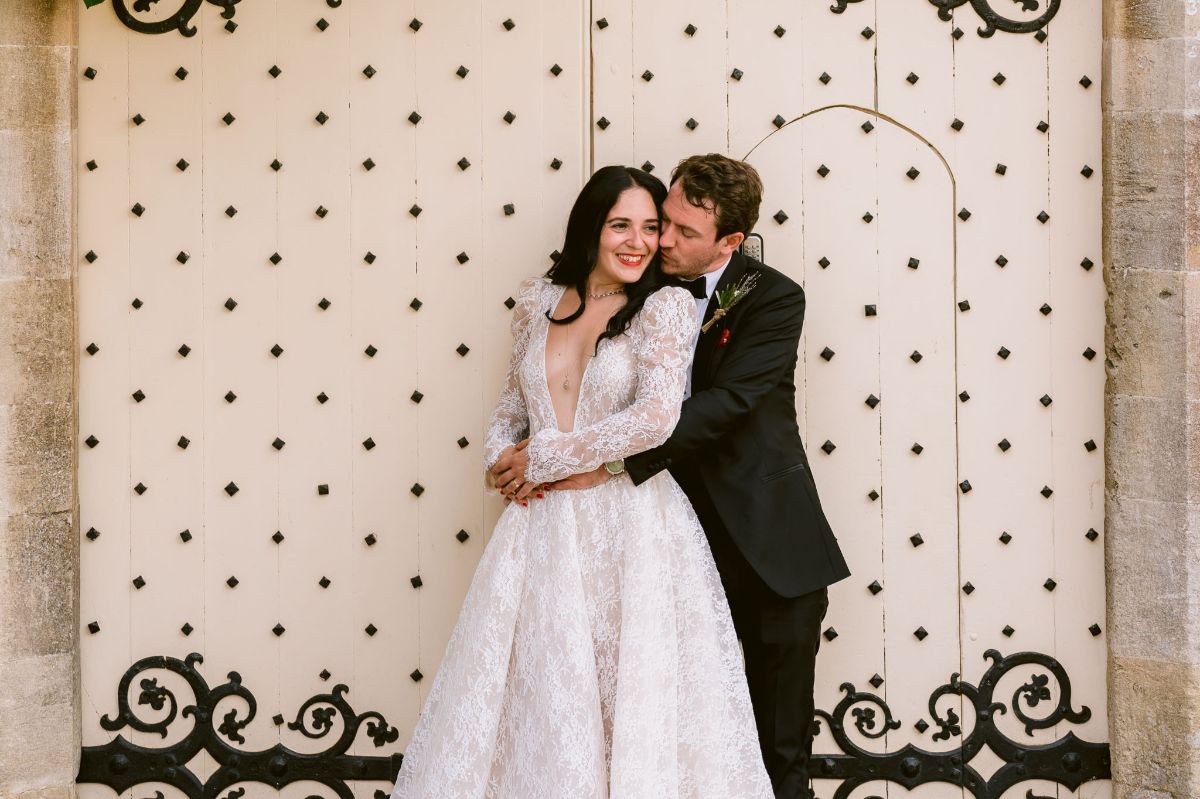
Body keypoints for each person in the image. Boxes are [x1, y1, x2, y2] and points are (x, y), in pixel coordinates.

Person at [389, 165, 774, 798]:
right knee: (548, 689)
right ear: (590, 227)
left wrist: (544, 458)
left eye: (651, 227)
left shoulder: (664, 306)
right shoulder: (535, 303)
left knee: (630, 694)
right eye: (621, 225)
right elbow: (510, 407)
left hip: (631, 527)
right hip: (539, 526)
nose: (640, 242)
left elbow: (655, 418)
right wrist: (501, 461)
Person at [547, 154, 851, 799]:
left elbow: (729, 403)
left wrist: (609, 461)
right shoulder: (633, 280)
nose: (663, 241)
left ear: (730, 242)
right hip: (656, 546)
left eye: (685, 233)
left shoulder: (774, 298)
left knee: (777, 750)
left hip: (767, 547)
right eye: (665, 221)